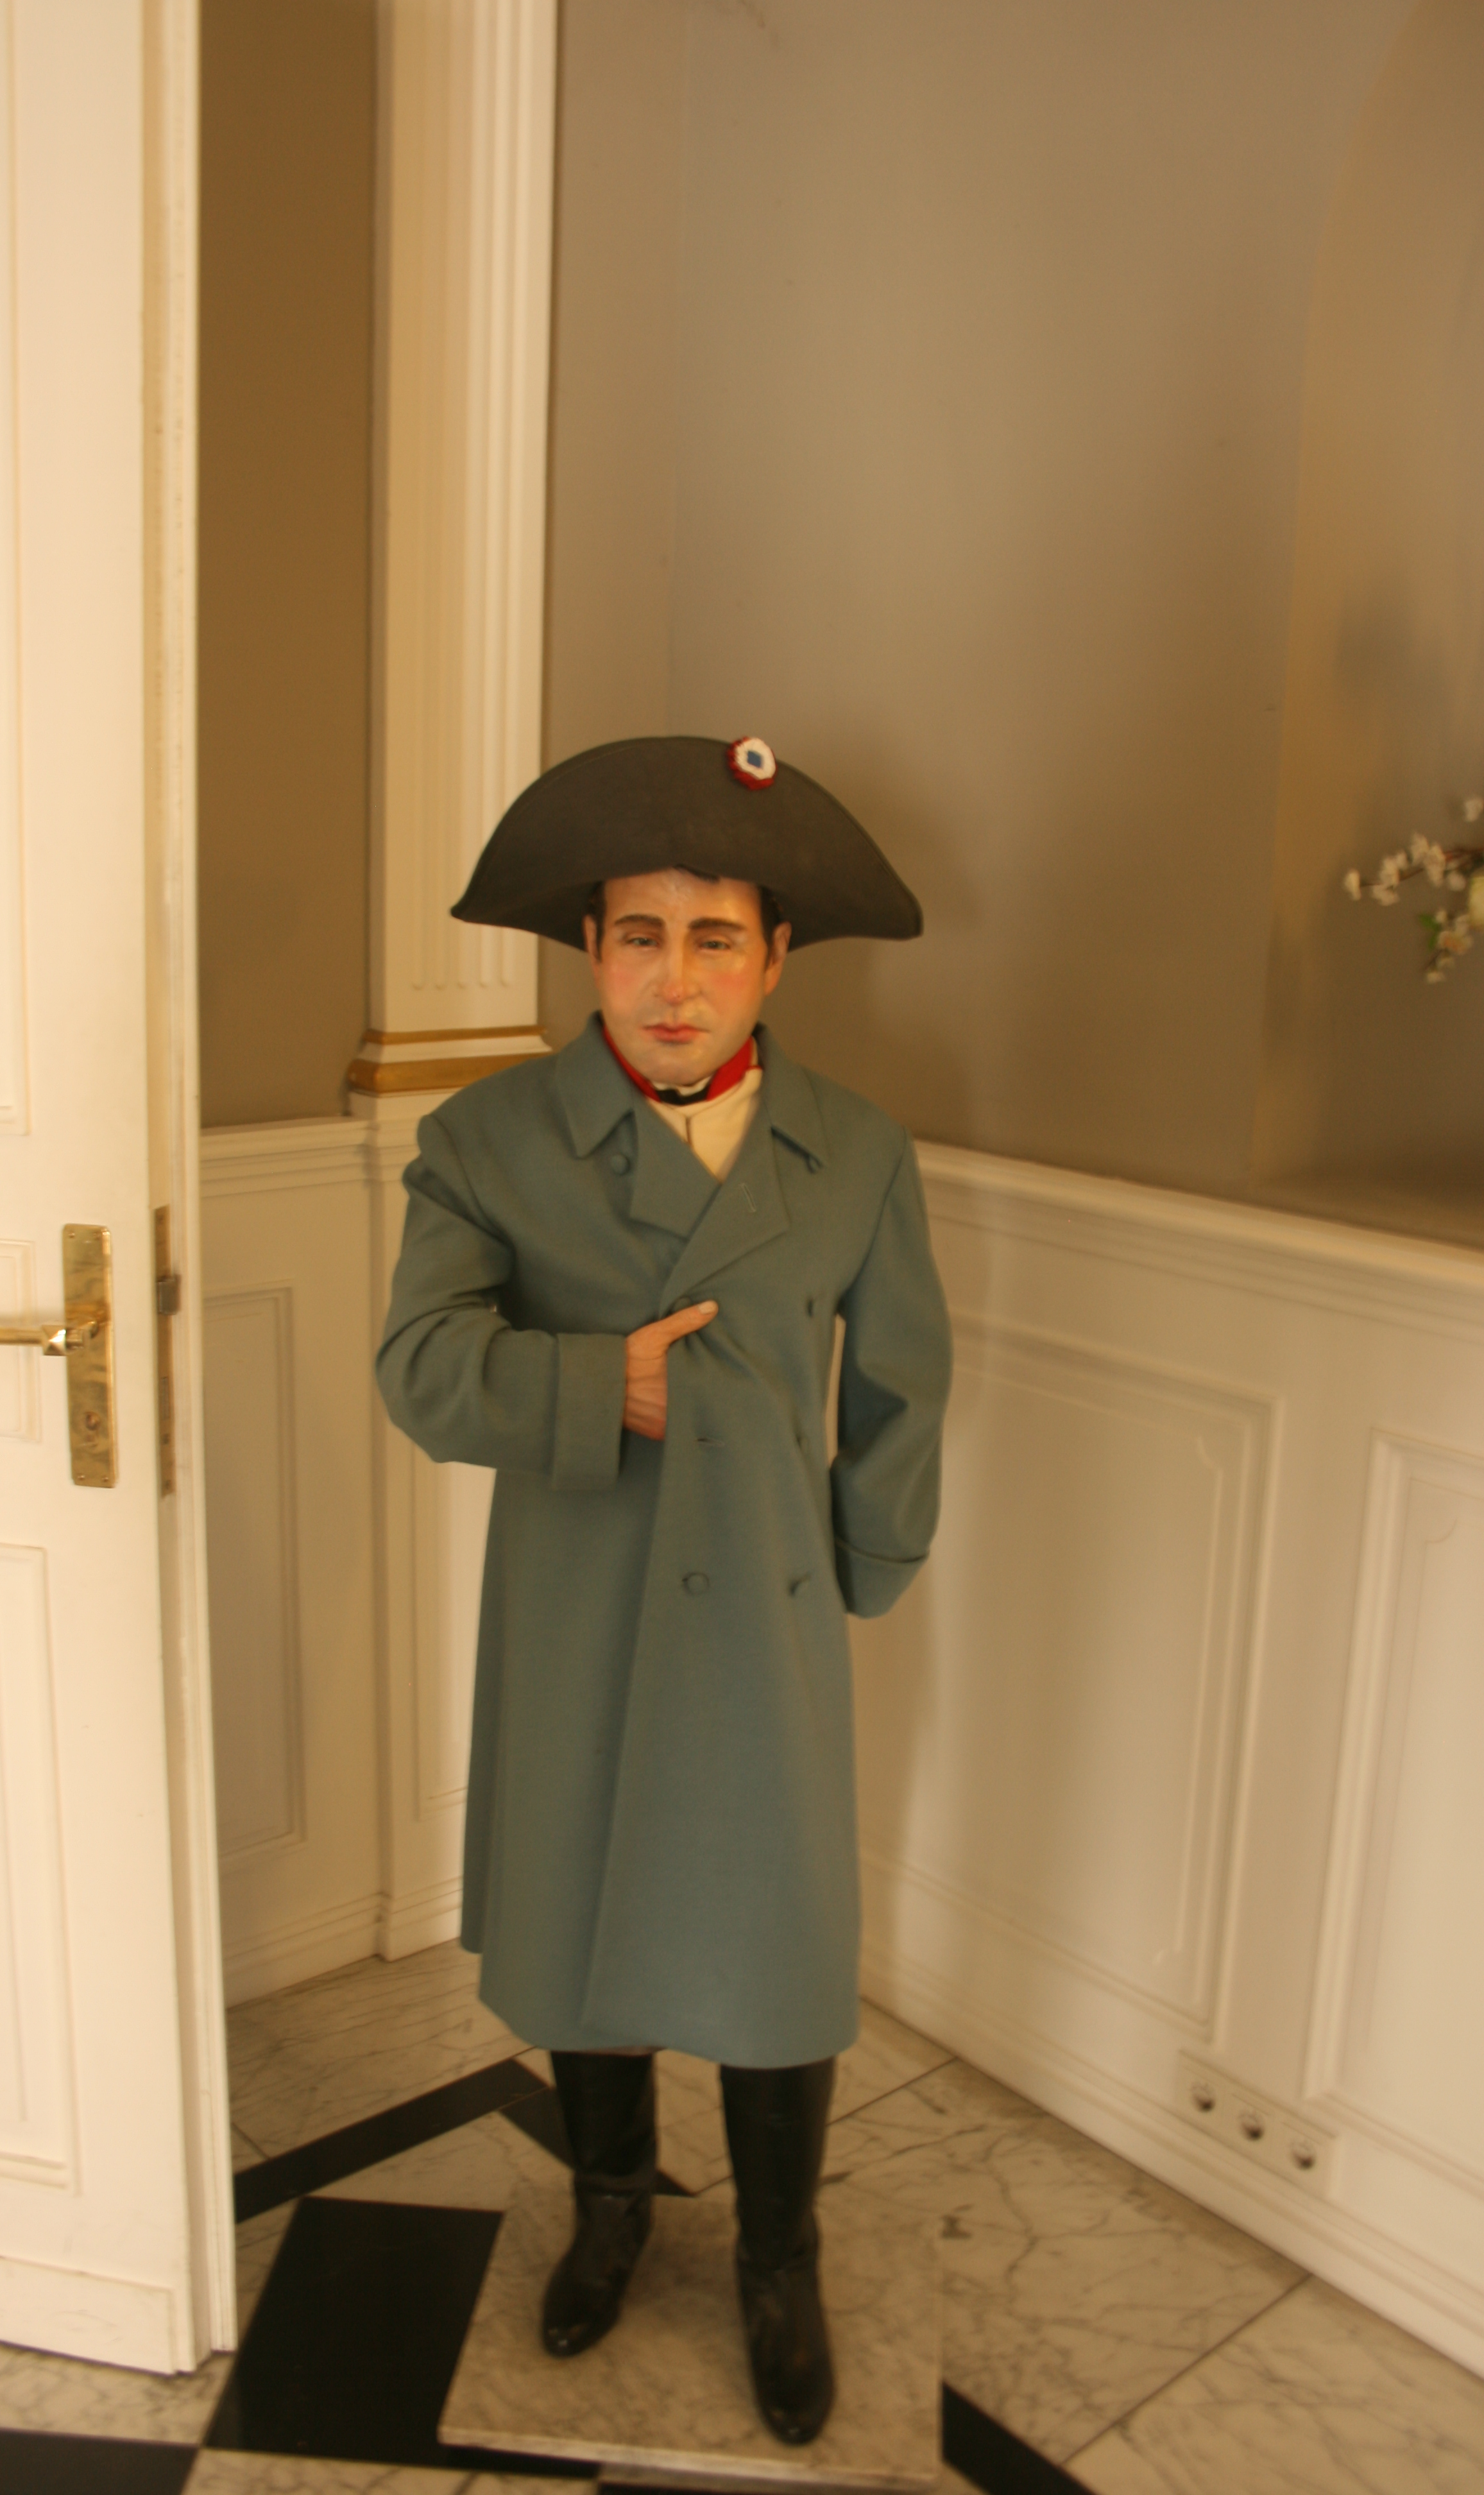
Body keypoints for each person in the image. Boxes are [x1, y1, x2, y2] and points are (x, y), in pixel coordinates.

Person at [377, 734, 951, 2445]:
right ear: (590, 949)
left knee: (779, 1945)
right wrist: (591, 1384)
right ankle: (612, 2206)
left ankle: (781, 2260)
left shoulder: (858, 1151)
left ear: (776, 960)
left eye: (716, 939)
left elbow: (904, 1380)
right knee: (588, 1913)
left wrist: (861, 1568)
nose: (675, 980)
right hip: (581, 1601)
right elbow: (420, 1366)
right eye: (640, 935)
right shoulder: (488, 1140)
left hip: (768, 1615)